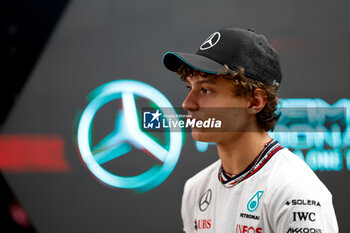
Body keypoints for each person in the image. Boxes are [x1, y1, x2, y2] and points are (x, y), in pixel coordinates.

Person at [162, 27, 338, 233]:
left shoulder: (296, 193)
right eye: (190, 88)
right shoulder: (196, 189)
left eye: (206, 90)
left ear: (255, 101)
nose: (187, 104)